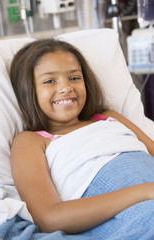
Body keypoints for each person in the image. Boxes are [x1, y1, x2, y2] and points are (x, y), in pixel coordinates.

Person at [10, 38, 154, 238]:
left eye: (74, 78)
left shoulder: (110, 118)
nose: (66, 87)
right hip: (134, 216)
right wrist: (144, 191)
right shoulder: (31, 142)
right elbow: (49, 218)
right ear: (28, 90)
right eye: (49, 81)